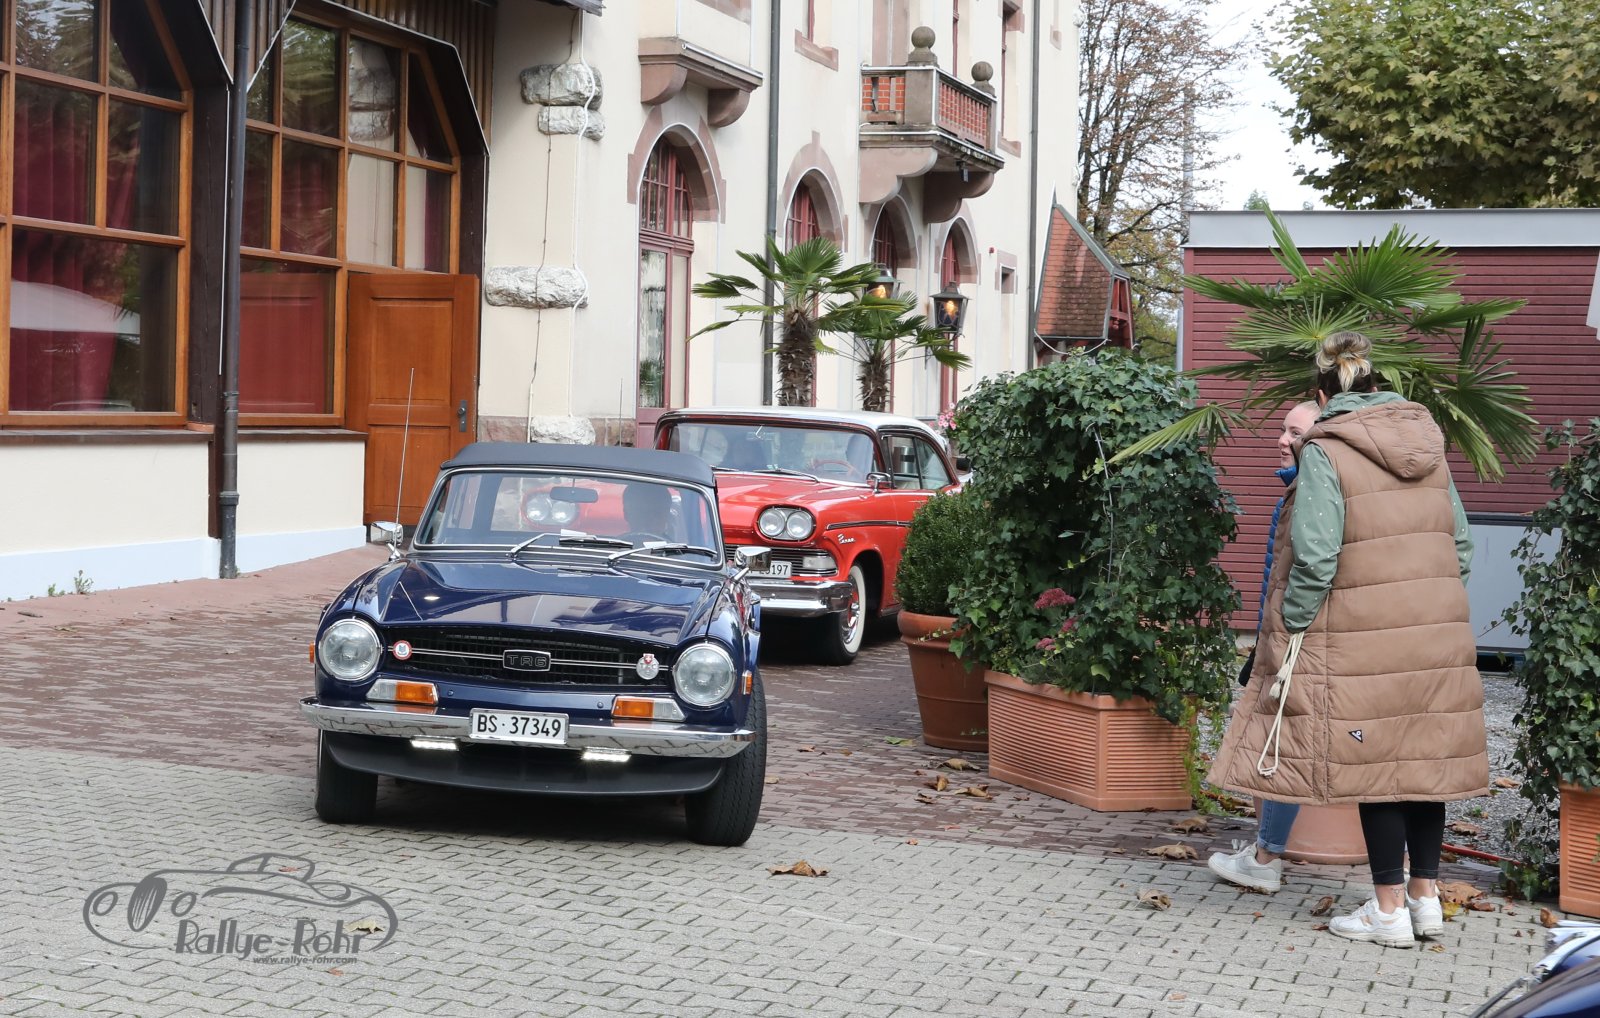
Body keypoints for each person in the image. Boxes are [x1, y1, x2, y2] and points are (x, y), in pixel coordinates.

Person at [1207, 331, 1487, 948]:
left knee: (1375, 768)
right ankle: (1425, 901)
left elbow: (1315, 557)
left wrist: (1295, 624)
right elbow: (1461, 546)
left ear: (1322, 395)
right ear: (1379, 385)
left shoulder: (1327, 450)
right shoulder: (1430, 448)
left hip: (1361, 634)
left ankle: (1386, 911)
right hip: (1437, 631)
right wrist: (1429, 601)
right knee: (1425, 765)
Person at [1207, 400, 1319, 894]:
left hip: (1301, 644)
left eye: (1294, 432)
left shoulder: (1314, 496)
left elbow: (1310, 574)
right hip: (1283, 639)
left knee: (1283, 742)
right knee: (1278, 740)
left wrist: (1286, 637)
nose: (1281, 439)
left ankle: (1266, 857)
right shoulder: (1293, 492)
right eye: (1282, 429)